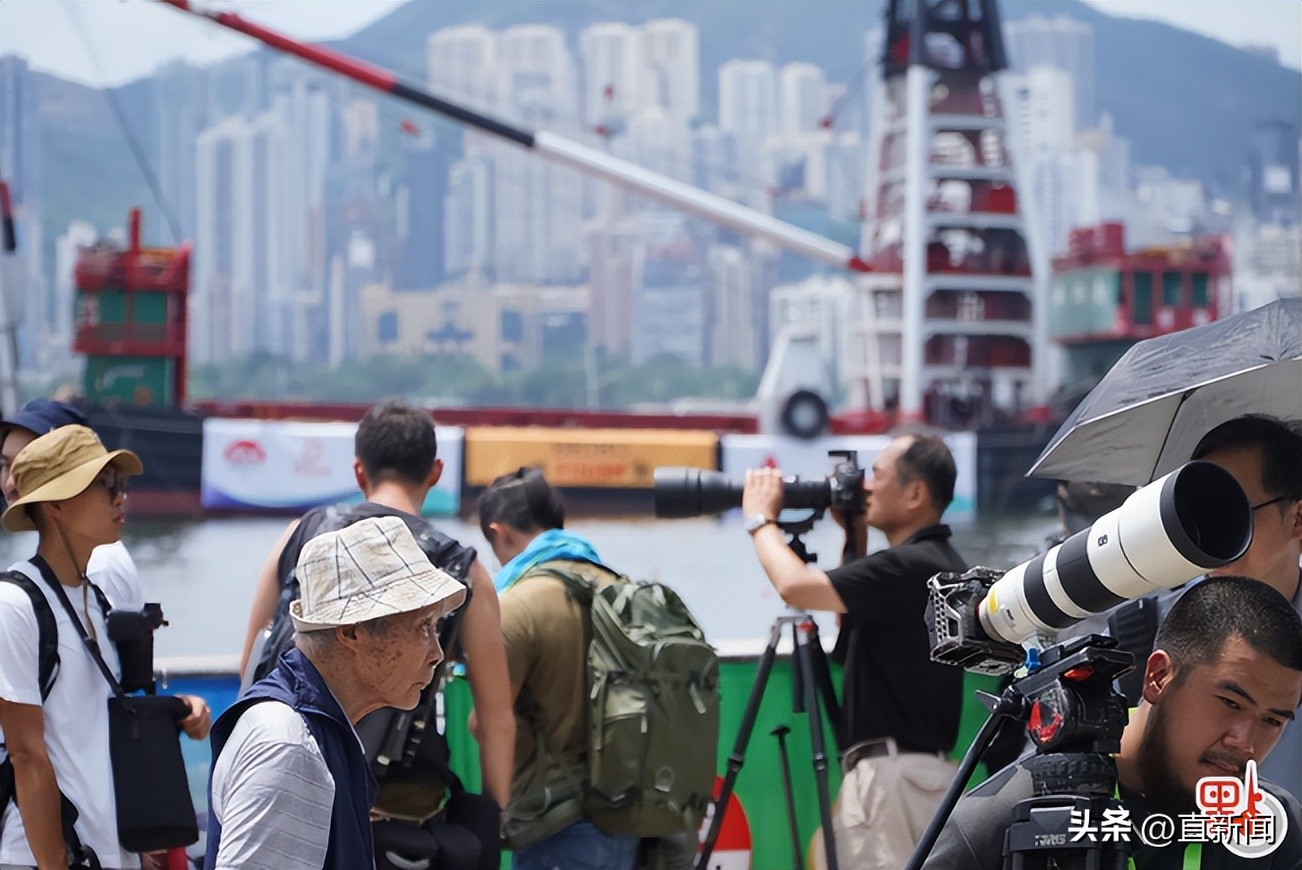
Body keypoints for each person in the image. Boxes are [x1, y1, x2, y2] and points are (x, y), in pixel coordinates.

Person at [238, 399, 515, 809]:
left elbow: (253, 662)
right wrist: (493, 818)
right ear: (435, 472)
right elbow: (496, 720)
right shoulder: (464, 568)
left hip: (291, 777)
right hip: (398, 806)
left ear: (358, 470)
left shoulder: (302, 534)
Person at [923, 576, 1302, 869]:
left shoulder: (1276, 827)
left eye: (1272, 720)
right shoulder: (1005, 819)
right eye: (1230, 703)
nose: (1245, 743)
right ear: (1158, 677)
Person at [740, 434, 968, 869]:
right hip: (919, 779)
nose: (863, 486)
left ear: (915, 493)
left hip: (892, 783)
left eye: (876, 475)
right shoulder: (935, 563)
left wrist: (760, 520)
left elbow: (796, 586)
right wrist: (854, 539)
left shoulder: (909, 565)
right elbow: (854, 631)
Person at [0, 425, 209, 869]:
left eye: (122, 485)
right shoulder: (14, 604)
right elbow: (26, 755)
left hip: (104, 854)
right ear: (56, 502)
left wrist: (180, 710)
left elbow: (93, 726)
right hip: (35, 857)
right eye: (106, 485)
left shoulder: (95, 599)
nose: (121, 497)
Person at [206, 515, 468, 869]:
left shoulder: (321, 727)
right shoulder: (288, 745)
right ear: (352, 632)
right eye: (423, 627)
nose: (436, 653)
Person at [1109, 415, 1302, 798]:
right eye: (1198, 511)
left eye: (1235, 511)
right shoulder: (1135, 629)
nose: (1213, 530)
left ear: (1298, 518)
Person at [476, 467, 640, 870]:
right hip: (634, 814)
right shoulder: (624, 590)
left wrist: (487, 819)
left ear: (500, 533)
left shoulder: (515, 606)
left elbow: (489, 724)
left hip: (554, 822)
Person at [0, 398, 143, 609]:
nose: (11, 482)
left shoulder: (97, 563)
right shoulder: (31, 585)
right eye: (5, 464)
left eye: (27, 463)